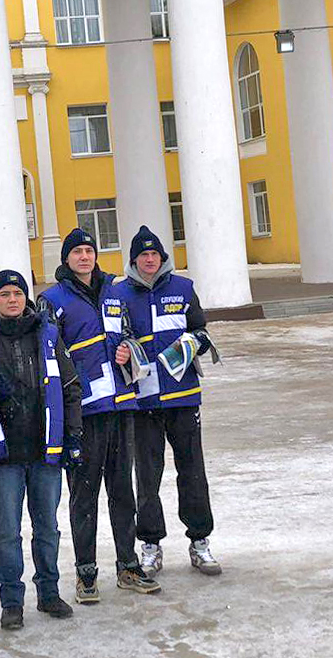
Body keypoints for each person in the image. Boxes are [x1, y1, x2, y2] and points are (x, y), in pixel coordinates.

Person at [37, 228, 160, 603]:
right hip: (84, 412)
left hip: (120, 406)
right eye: (77, 252)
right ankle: (86, 573)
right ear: (66, 258)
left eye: (89, 250)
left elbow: (128, 334)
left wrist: (128, 348)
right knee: (84, 496)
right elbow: (48, 354)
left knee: (122, 491)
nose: (84, 257)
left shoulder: (114, 292)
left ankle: (128, 566)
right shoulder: (51, 300)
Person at [0, 269, 82, 631]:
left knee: (47, 527)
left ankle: (49, 592)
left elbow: (70, 387)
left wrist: (73, 435)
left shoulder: (48, 335)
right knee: (7, 532)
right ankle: (11, 602)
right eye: (4, 294)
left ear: (26, 298)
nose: (12, 300)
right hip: (3, 456)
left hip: (45, 450)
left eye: (17, 293)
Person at [108, 226, 222, 577]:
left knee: (192, 472)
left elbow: (201, 330)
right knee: (147, 477)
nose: (149, 260)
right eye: (143, 255)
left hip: (183, 399)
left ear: (162, 257)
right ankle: (150, 544)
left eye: (154, 254)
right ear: (133, 261)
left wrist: (194, 344)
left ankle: (199, 540)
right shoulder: (119, 295)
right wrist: (124, 351)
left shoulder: (183, 288)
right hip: (143, 402)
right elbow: (115, 339)